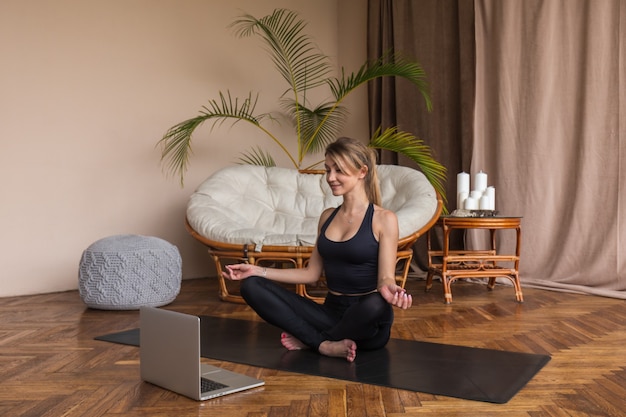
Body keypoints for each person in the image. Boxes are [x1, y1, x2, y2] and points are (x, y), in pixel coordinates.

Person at [222, 137, 412, 362]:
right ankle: (324, 344)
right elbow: (310, 274)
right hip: (329, 313)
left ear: (362, 171)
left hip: (367, 322)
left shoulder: (384, 219)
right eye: (328, 169)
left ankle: (311, 340)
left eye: (339, 170)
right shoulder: (327, 217)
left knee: (376, 303)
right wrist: (257, 270)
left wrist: (391, 288)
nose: (330, 178)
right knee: (252, 286)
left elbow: (385, 278)